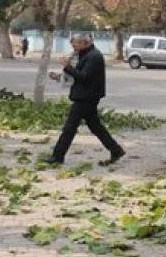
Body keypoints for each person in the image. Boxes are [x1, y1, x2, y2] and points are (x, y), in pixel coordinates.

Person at [43, 33, 125, 167]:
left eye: (75, 43)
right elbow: (74, 76)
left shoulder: (94, 56)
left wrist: (67, 66)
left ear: (85, 43)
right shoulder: (85, 54)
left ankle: (58, 156)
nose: (73, 46)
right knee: (95, 126)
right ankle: (116, 150)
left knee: (69, 127)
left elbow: (84, 77)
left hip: (86, 97)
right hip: (85, 96)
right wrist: (59, 76)